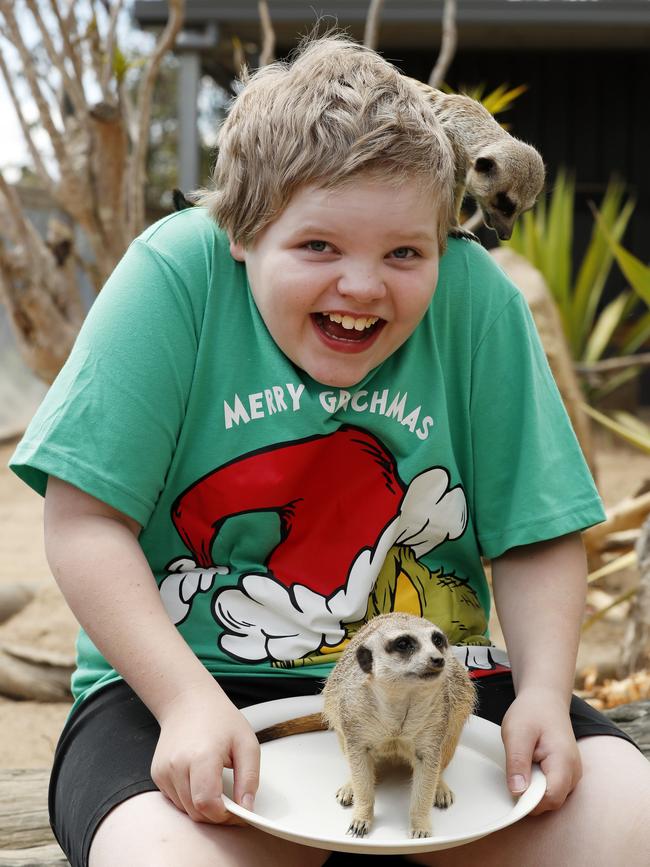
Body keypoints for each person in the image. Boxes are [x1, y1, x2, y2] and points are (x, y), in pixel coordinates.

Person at [9, 33, 649, 867]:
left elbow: (535, 532)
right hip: (185, 678)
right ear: (239, 229)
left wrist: (543, 695)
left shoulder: (478, 298)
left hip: (435, 673)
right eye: (318, 247)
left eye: (405, 253)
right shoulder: (172, 276)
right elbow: (83, 520)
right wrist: (185, 704)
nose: (362, 285)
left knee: (624, 819)